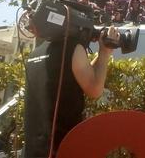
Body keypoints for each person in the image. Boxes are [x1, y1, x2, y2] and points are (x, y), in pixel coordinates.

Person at [24, 25, 120, 158]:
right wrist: (104, 53)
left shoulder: (35, 53)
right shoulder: (72, 47)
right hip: (63, 147)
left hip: (33, 150)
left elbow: (76, 76)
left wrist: (104, 52)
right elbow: (95, 90)